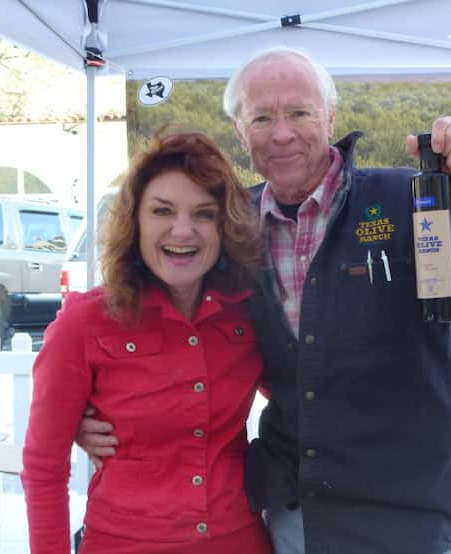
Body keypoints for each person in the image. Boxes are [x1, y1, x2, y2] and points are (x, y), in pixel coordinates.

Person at [78, 47, 451, 554]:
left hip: (406, 519)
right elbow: (158, 328)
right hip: (294, 514)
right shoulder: (230, 228)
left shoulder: (412, 202)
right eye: (262, 117)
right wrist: (87, 406)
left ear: (330, 116)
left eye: (299, 112)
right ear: (240, 131)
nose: (281, 133)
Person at [21, 130, 272, 554]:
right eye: (162, 211)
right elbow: (43, 469)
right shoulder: (85, 322)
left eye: (204, 214)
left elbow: (302, 402)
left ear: (224, 225)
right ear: (134, 221)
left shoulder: (247, 312)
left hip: (238, 540)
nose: (183, 230)